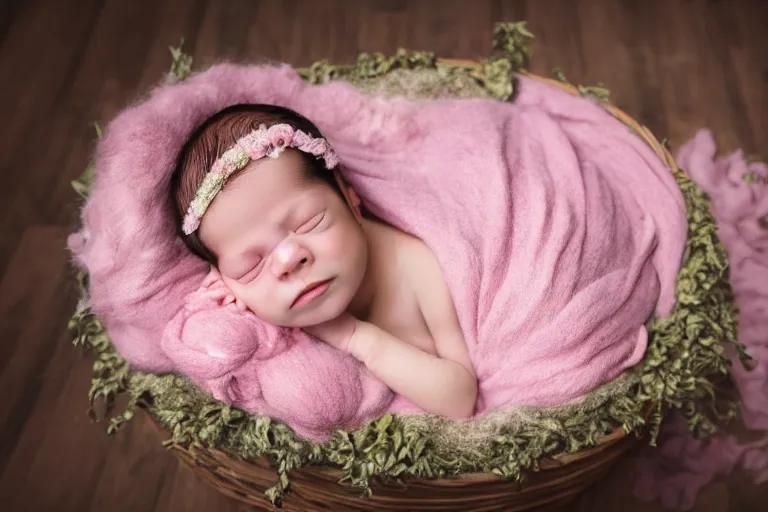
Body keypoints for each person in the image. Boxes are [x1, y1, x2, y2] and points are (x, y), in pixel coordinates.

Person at [170, 103, 478, 419]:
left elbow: (461, 399)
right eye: (249, 265)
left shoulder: (417, 265)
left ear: (350, 199)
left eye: (308, 222)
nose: (288, 261)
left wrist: (357, 338)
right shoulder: (253, 308)